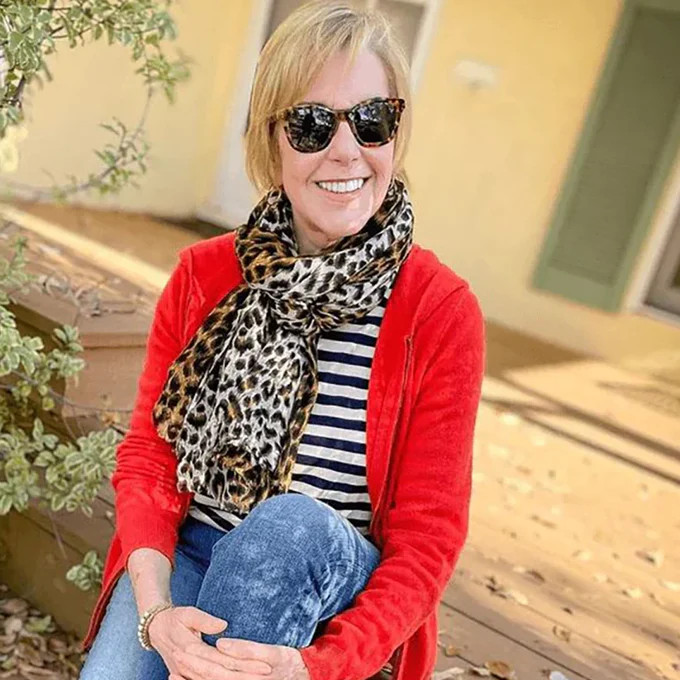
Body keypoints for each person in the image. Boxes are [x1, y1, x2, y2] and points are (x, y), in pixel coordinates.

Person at [78, 1, 485, 679]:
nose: (346, 150)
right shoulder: (204, 276)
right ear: (271, 141)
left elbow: (428, 538)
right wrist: (154, 609)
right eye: (311, 125)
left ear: (397, 133)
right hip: (194, 547)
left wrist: (317, 666)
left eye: (373, 119)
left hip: (334, 587)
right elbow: (152, 455)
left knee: (285, 528)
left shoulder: (438, 311)